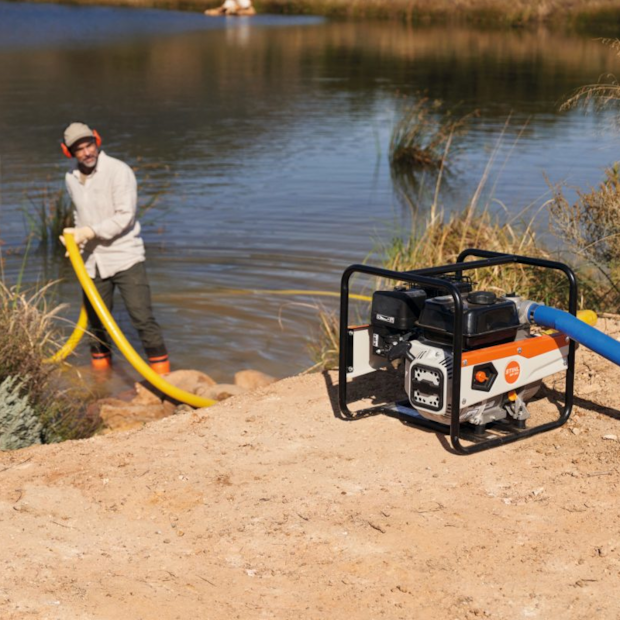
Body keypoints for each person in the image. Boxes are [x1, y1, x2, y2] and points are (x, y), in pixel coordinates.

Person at [60, 122, 170, 375]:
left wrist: (89, 232)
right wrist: (76, 240)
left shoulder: (119, 171)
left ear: (97, 141)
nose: (87, 152)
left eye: (89, 145)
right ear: (69, 152)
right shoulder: (71, 178)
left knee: (142, 318)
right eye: (79, 149)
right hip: (91, 261)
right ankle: (102, 383)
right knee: (95, 324)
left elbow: (125, 217)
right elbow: (80, 215)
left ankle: (165, 380)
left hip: (125, 257)